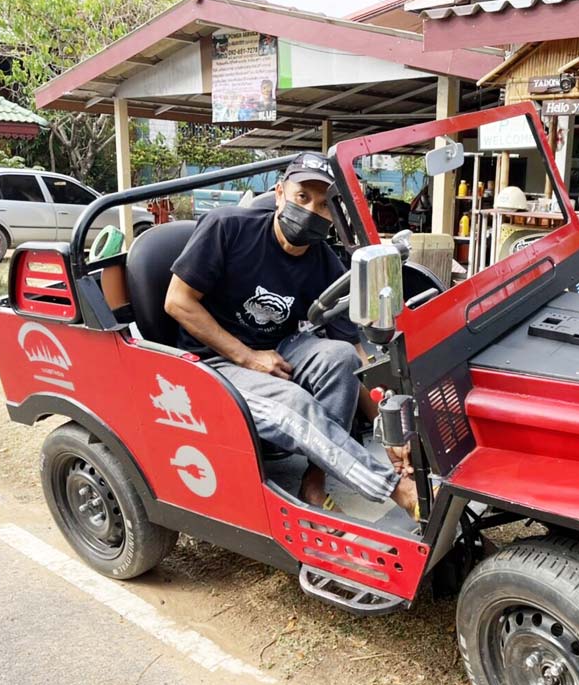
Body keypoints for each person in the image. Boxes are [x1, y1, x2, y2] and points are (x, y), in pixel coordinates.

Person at [164, 153, 418, 520]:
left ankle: (314, 483)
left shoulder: (324, 261)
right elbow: (177, 302)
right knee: (293, 403)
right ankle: (396, 490)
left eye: (324, 204)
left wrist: (390, 432)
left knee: (340, 358)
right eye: (303, 197)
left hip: (279, 348)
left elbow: (356, 352)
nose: (312, 210)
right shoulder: (228, 228)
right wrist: (247, 357)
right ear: (280, 193)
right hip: (214, 361)